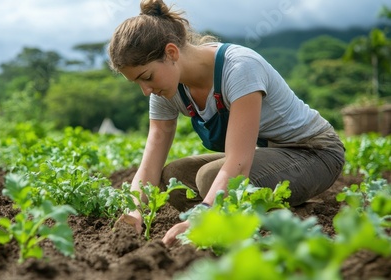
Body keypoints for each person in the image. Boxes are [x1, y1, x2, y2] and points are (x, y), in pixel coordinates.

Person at [108, 0, 345, 247]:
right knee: (174, 179)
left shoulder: (239, 68)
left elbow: (238, 165)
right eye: (137, 83)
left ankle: (288, 218)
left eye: (146, 77)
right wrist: (134, 210)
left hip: (315, 153)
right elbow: (150, 165)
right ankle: (264, 210)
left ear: (171, 53)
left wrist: (201, 216)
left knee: (211, 179)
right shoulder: (165, 89)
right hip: (271, 155)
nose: (145, 90)